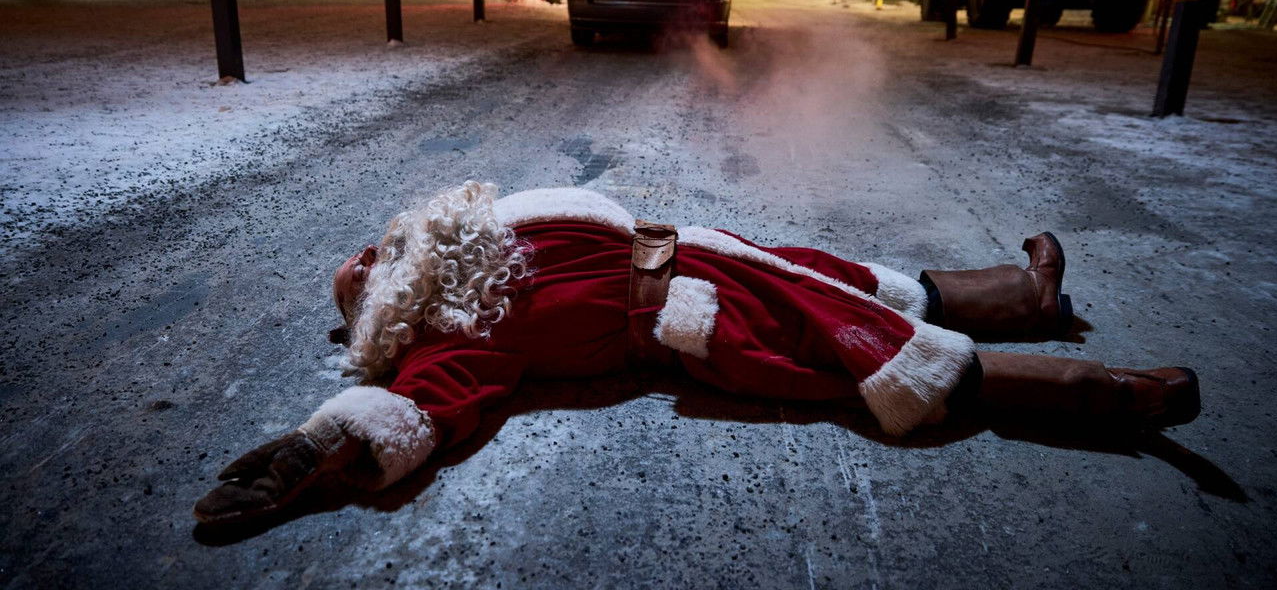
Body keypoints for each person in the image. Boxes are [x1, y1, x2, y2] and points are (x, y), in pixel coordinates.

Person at [193, 182, 1200, 525]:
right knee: (882, 354)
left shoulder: (468, 242)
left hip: (705, 255)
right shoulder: (449, 336)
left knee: (857, 281)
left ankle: (1027, 297)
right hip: (702, 315)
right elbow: (422, 409)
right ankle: (1117, 396)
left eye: (367, 251)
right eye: (356, 281)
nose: (366, 258)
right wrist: (321, 445)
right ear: (379, 320)